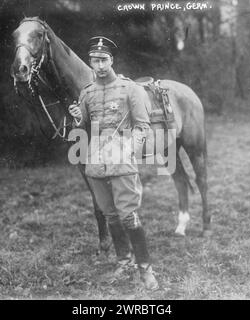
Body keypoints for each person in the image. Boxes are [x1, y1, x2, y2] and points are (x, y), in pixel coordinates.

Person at [68, 36, 158, 291]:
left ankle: (145, 269)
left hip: (122, 160)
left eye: (104, 60)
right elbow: (83, 125)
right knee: (110, 215)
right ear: (90, 62)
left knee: (128, 215)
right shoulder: (87, 92)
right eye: (95, 61)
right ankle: (124, 261)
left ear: (112, 60)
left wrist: (132, 147)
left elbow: (142, 126)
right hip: (96, 163)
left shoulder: (131, 89)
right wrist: (77, 118)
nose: (99, 65)